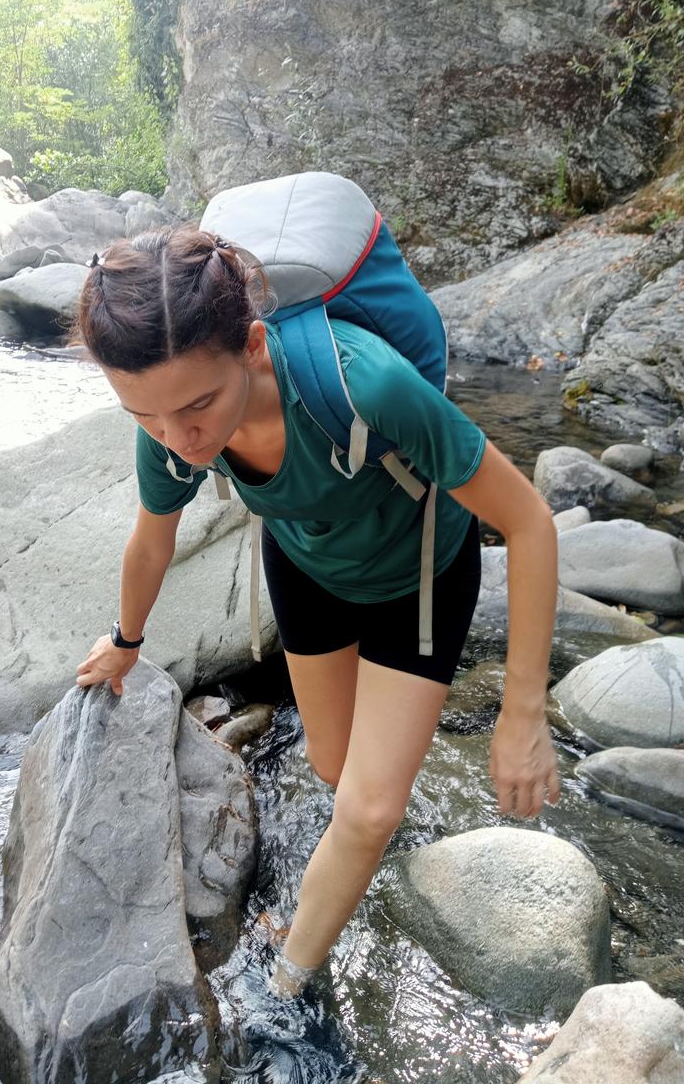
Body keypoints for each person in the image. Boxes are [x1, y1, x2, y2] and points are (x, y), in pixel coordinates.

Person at [71, 223, 561, 1001]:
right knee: (336, 768)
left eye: (198, 405)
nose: (178, 439)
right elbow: (152, 540)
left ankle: (283, 987)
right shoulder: (168, 427)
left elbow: (529, 521)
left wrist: (523, 713)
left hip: (417, 576)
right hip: (306, 564)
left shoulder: (366, 385)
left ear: (252, 346)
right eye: (144, 416)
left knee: (368, 812)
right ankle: (368, 823)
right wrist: (126, 642)